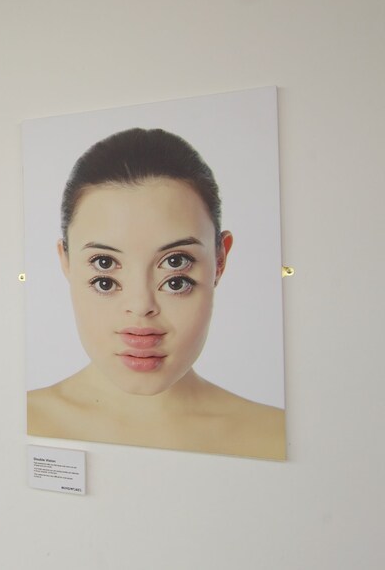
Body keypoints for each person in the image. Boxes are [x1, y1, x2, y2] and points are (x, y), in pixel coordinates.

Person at [26, 128, 285, 460]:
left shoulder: (271, 436)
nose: (140, 308)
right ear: (66, 262)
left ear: (219, 260)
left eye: (175, 272)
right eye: (105, 271)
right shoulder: (20, 421)